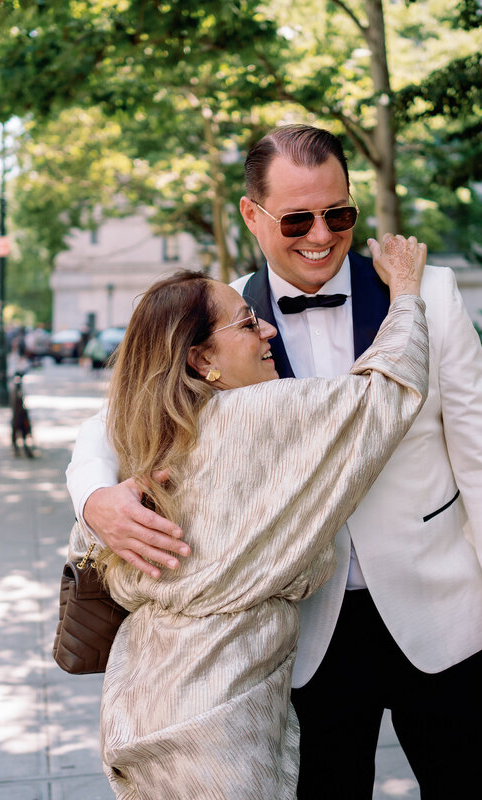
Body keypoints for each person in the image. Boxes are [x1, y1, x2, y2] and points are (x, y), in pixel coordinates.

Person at [67, 124, 482, 799]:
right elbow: (113, 420)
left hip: (445, 617)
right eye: (297, 218)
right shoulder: (224, 315)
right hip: (301, 641)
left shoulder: (426, 294)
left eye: (338, 213)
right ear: (251, 215)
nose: (321, 234)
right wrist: (94, 498)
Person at [88, 234, 429, 798]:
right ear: (201, 358)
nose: (267, 330)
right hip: (216, 711)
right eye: (248, 324)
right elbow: (386, 392)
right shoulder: (263, 413)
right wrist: (409, 293)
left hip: (142, 694)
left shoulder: (150, 435)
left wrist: (91, 498)